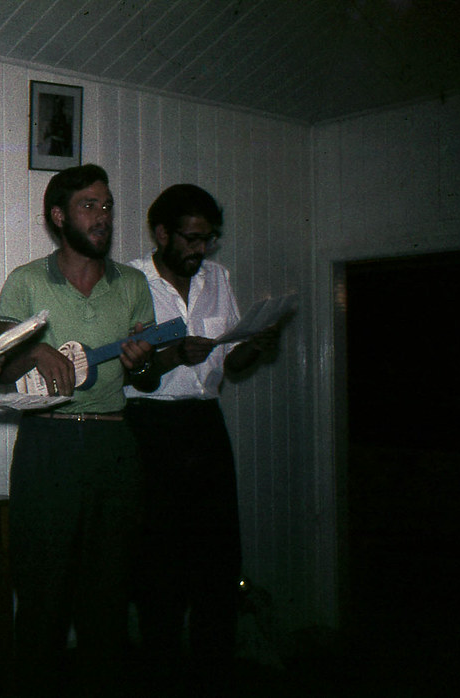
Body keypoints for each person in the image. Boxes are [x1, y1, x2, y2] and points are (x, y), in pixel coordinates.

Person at [0, 164, 156, 697]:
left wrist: (144, 362)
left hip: (114, 444)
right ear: (58, 217)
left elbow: (148, 379)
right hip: (49, 446)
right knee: (41, 596)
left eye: (107, 206)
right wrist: (32, 347)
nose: (102, 216)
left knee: (108, 597)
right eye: (89, 205)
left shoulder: (132, 284)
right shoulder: (26, 280)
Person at [124, 183, 282, 696]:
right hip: (151, 428)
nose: (199, 251)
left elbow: (229, 364)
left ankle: (216, 675)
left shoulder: (219, 278)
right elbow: (126, 375)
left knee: (217, 566)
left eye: (207, 240)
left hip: (206, 428)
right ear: (162, 234)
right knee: (159, 573)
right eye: (191, 240)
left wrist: (256, 345)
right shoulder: (130, 281)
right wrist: (170, 356)